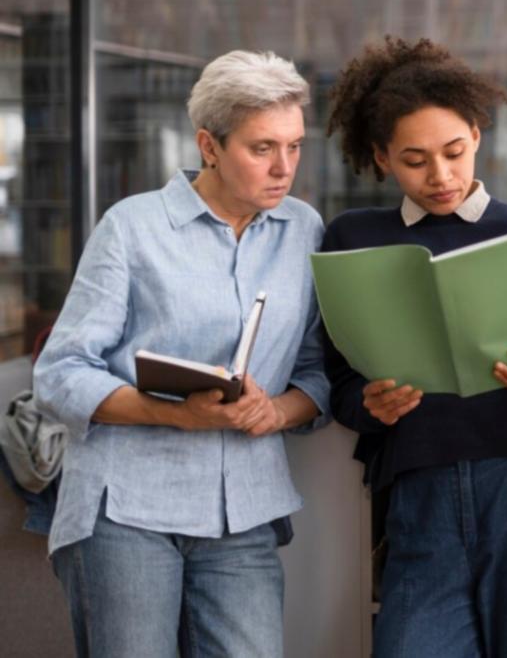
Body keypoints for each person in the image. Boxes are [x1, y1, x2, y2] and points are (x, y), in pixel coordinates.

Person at [33, 50, 329, 657]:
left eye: (295, 146)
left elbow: (316, 370)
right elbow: (61, 374)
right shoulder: (133, 227)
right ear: (209, 146)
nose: (284, 168)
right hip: (126, 510)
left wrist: (277, 411)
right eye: (262, 148)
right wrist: (177, 412)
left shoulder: (304, 230)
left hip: (244, 513)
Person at [320, 38, 507, 658]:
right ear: (381, 157)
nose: (441, 176)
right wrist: (372, 406)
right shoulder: (352, 238)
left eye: (453, 152)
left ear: (477, 134)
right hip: (422, 490)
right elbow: (338, 380)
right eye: (415, 160)